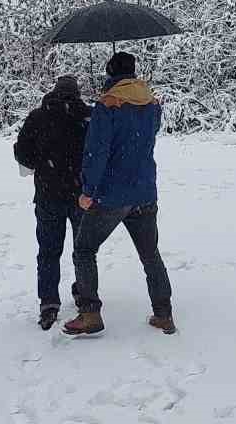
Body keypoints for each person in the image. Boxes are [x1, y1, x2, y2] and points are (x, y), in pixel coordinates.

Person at [64, 52, 175, 337]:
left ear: (110, 74)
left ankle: (89, 313)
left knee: (84, 249)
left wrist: (88, 190)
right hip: (145, 192)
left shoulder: (108, 105)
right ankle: (164, 314)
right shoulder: (152, 104)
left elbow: (96, 152)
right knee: (150, 254)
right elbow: (145, 137)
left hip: (112, 195)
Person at [13, 75, 92, 330]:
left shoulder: (38, 117)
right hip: (82, 196)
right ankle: (83, 293)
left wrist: (43, 165)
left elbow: (21, 152)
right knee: (84, 251)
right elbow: (100, 152)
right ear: (77, 93)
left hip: (48, 194)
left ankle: (48, 303)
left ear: (54, 92)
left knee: (48, 251)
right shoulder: (88, 118)